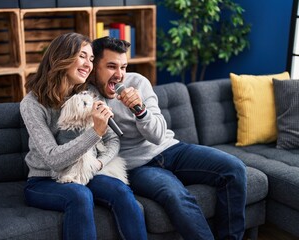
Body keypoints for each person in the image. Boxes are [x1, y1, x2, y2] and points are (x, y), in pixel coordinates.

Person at [88, 36, 247, 240]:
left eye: (123, 67)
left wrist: (140, 111)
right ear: (94, 67)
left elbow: (157, 136)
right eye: (111, 66)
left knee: (234, 168)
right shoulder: (87, 97)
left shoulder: (138, 83)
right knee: (176, 195)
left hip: (170, 149)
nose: (119, 75)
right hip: (137, 166)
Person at [20, 33, 147, 240]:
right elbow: (53, 159)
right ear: (62, 57)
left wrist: (99, 164)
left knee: (120, 192)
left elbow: (113, 140)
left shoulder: (89, 93)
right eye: (82, 56)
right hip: (43, 180)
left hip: (87, 173)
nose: (88, 64)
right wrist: (95, 132)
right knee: (79, 195)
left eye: (91, 59)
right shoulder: (32, 104)